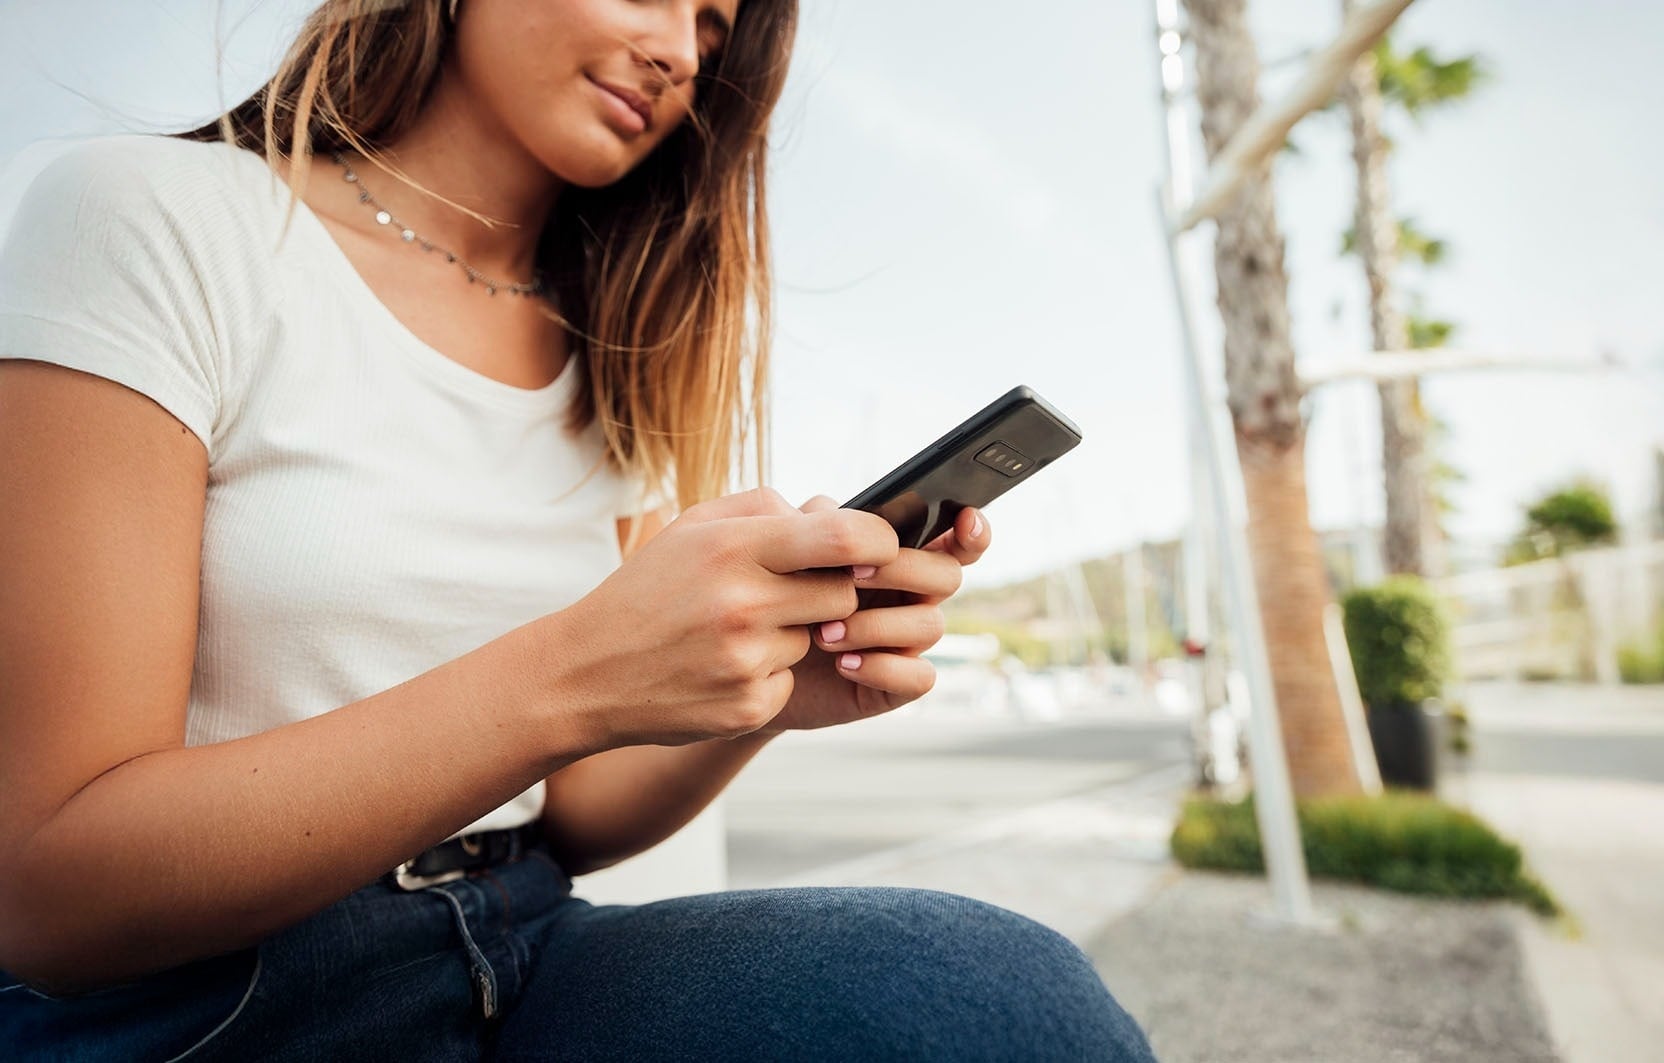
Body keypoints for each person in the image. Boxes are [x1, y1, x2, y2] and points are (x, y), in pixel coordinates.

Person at [0, 1, 1156, 1059]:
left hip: (520, 938)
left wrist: (762, 694)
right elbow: (49, 893)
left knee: (996, 998)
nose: (680, 52)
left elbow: (576, 813)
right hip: (207, 1000)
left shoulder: (611, 357)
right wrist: (573, 671)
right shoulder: (156, 217)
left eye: (712, 27)